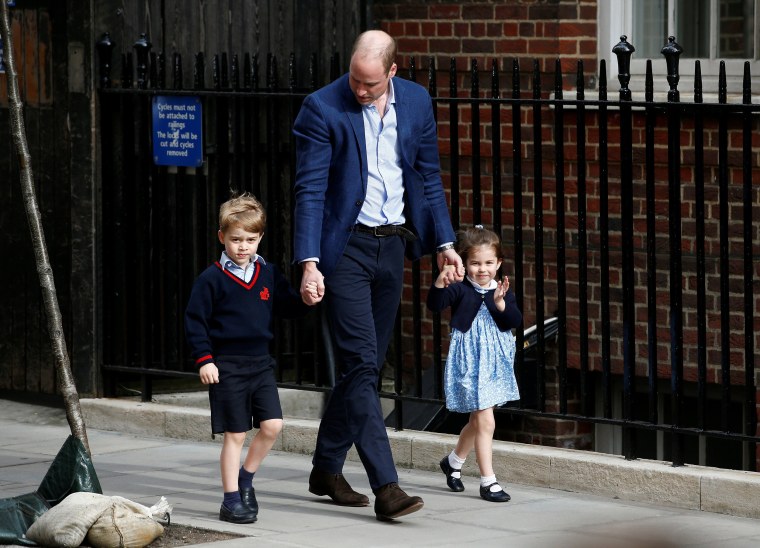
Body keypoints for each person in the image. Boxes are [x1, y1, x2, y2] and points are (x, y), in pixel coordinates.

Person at [292, 29, 464, 521]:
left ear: (392, 71)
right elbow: (309, 191)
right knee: (364, 364)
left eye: (369, 84)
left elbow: (428, 176)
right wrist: (309, 262)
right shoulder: (322, 108)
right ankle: (386, 486)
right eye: (354, 79)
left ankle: (326, 467)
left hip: (392, 247)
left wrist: (445, 245)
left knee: (359, 369)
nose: (359, 91)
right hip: (344, 250)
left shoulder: (416, 101)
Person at [184, 192, 313, 524]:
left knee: (272, 426)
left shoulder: (267, 273)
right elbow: (194, 321)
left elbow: (285, 305)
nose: (243, 246)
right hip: (227, 366)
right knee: (236, 434)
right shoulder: (211, 279)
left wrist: (306, 298)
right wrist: (204, 359)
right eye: (236, 239)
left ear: (260, 239)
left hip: (260, 365)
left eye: (250, 240)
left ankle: (246, 479)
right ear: (222, 238)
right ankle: (230, 500)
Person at [426, 225, 522, 503]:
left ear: (499, 263)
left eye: (489, 263)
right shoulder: (460, 289)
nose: (483, 269)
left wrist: (501, 304)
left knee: (478, 421)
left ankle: (453, 462)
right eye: (475, 263)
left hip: (494, 363)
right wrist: (441, 281)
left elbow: (514, 321)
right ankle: (488, 482)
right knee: (486, 421)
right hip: (469, 360)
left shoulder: (501, 290)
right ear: (465, 263)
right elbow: (435, 304)